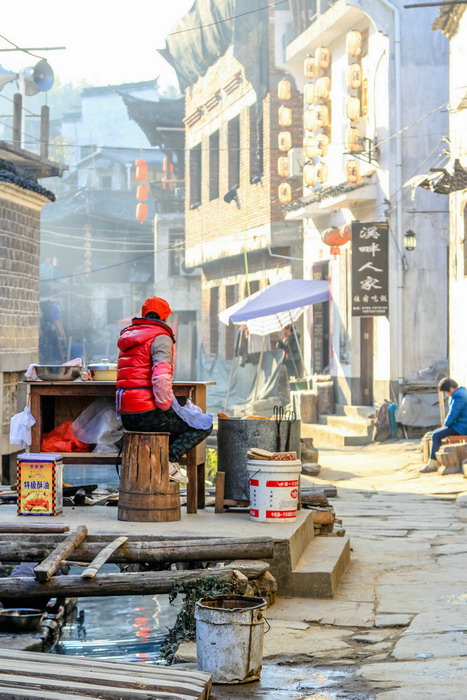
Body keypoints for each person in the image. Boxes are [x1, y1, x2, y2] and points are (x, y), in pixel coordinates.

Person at [116, 296, 213, 483]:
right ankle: (169, 461)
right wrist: (167, 407)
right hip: (149, 414)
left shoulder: (128, 336)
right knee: (203, 425)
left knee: (179, 421)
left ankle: (165, 463)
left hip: (127, 416)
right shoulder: (160, 337)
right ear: (165, 317)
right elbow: (160, 378)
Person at [420, 377, 467, 473]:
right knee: (436, 433)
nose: (447, 394)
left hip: (462, 426)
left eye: (446, 392)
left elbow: (454, 413)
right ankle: (435, 461)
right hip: (460, 424)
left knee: (436, 435)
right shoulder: (461, 392)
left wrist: (446, 424)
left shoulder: (459, 396)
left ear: (450, 388)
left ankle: (433, 464)